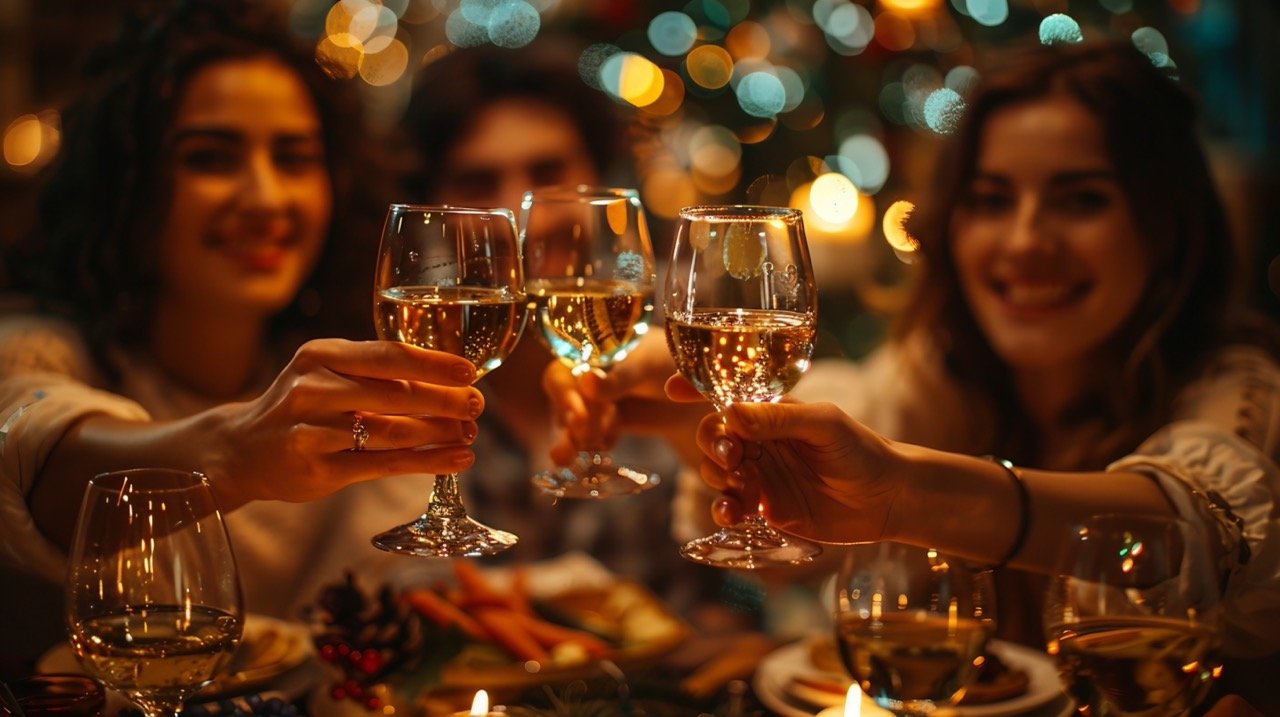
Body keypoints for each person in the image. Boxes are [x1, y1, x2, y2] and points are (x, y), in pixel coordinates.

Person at [546, 39, 1279, 710]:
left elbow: (1193, 525)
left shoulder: (1246, 394)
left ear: (1167, 225)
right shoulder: (939, 376)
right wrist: (687, 420)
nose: (1025, 241)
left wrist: (903, 492)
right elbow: (806, 520)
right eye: (991, 200)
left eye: (1082, 199)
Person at [0, 0, 485, 670]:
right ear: (127, 182)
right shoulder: (37, 346)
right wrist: (230, 459)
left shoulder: (330, 380)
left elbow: (390, 580)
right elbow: (25, 458)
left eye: (294, 158)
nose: (264, 198)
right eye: (210, 157)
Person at [390, 41, 723, 616]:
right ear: (432, 203)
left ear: (595, 173)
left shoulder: (676, 341)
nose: (526, 217)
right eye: (478, 182)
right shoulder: (404, 375)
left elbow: (756, 574)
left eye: (549, 174)